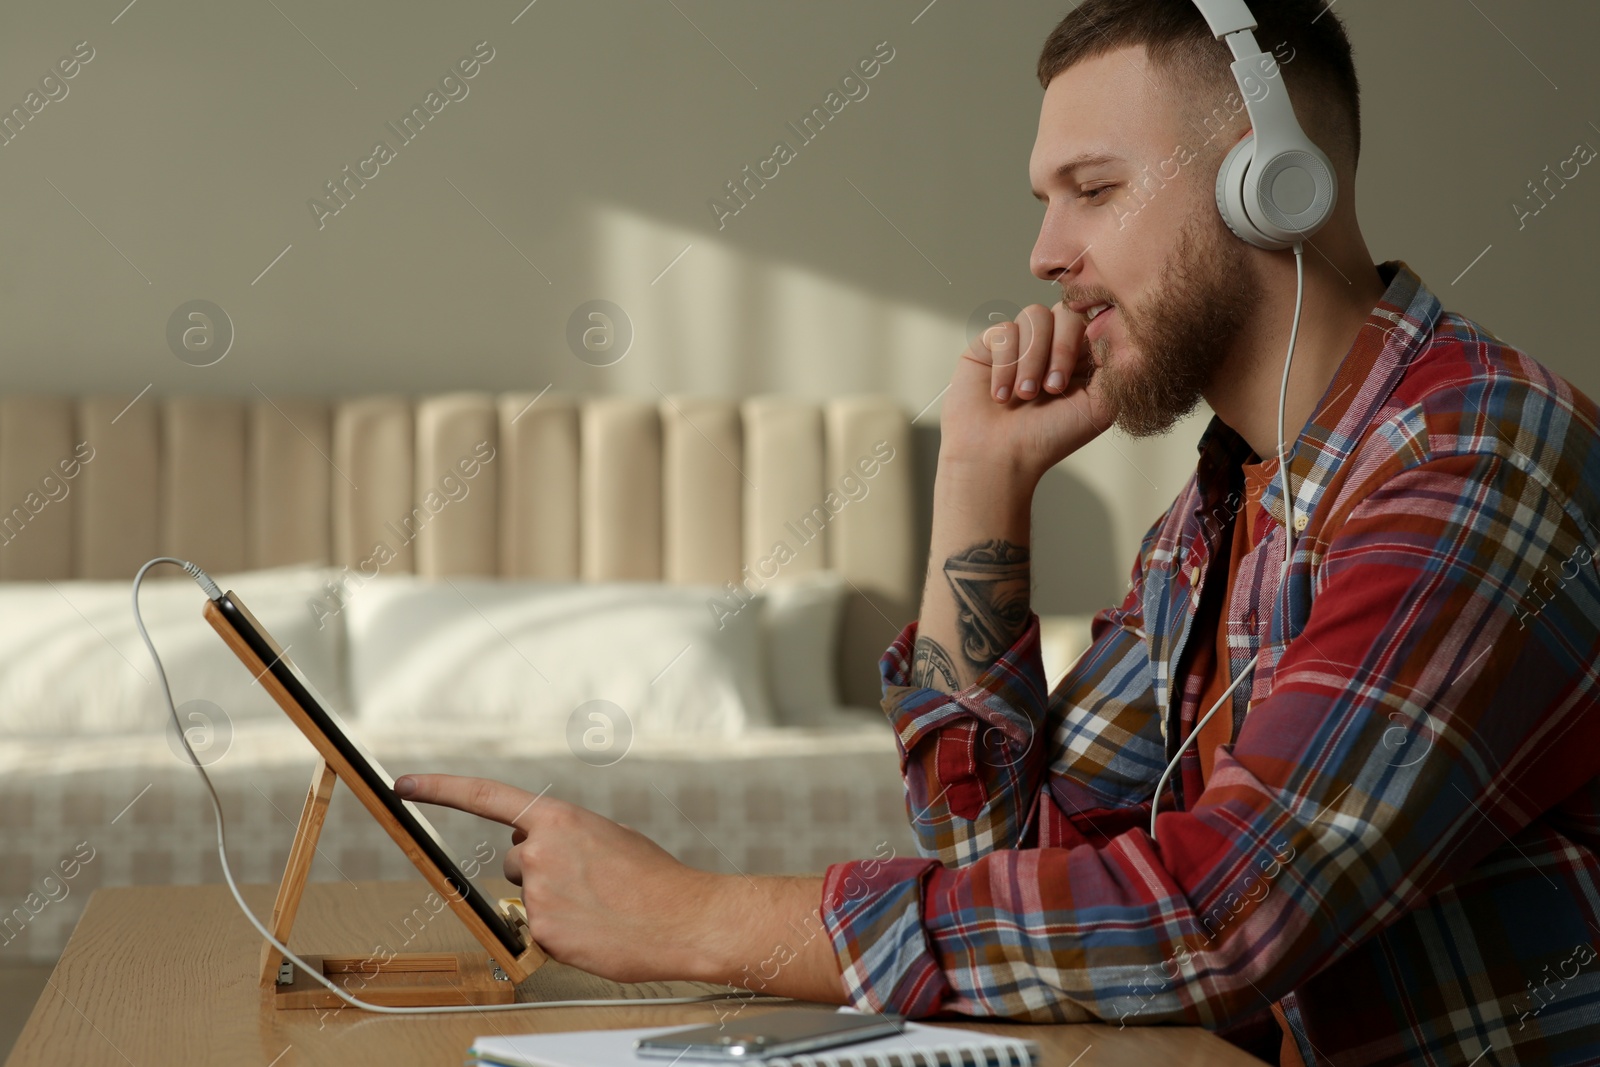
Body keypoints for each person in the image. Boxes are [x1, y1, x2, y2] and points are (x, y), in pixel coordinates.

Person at [395, 1, 1600, 1062]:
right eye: (1044, 201)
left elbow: (1220, 917)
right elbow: (1002, 857)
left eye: (1095, 189)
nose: (1043, 256)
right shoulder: (1227, 503)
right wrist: (979, 480)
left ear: (1270, 182)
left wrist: (692, 916)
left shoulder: (1471, 463)